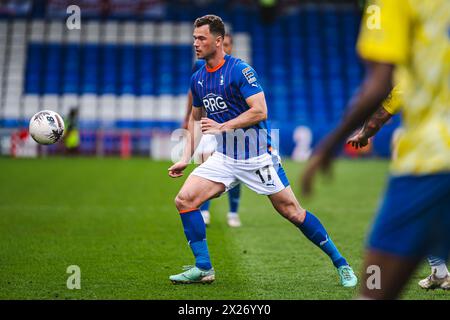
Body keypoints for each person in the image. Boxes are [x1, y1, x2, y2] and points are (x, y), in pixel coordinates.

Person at [168, 14, 357, 286]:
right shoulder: (197, 78)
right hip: (225, 157)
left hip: (256, 156)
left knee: (293, 212)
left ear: (218, 41)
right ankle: (203, 267)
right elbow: (195, 119)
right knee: (184, 200)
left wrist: (223, 126)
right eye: (194, 38)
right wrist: (184, 158)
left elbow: (260, 111)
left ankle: (341, 263)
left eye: (201, 38)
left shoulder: (240, 70)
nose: (195, 43)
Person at [301, 0, 450, 299]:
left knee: (372, 286)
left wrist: (329, 146)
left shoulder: (391, 4)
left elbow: (381, 82)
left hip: (431, 157)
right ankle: (440, 271)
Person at [347, 87, 450, 291]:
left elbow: (380, 116)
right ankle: (439, 273)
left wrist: (364, 135)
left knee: (403, 219)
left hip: (430, 158)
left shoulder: (410, 79)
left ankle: (373, 289)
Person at [182, 33, 242, 228]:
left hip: (232, 126)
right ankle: (205, 211)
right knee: (205, 164)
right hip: (209, 123)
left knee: (236, 170)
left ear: (231, 47)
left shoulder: (237, 68)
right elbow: (193, 94)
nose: (224, 47)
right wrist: (188, 117)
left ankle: (233, 212)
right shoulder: (201, 66)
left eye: (227, 45)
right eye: (222, 43)